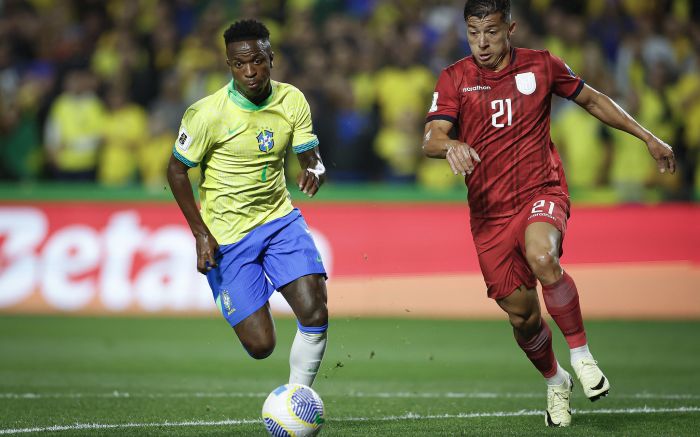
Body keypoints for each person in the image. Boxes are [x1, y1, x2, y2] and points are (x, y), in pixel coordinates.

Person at [423, 0, 675, 428]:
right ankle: (556, 379)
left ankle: (582, 356)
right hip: (489, 215)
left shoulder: (542, 66)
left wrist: (647, 137)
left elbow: (593, 100)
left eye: (491, 32)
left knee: (543, 256)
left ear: (511, 29)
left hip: (542, 191)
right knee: (522, 316)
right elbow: (431, 137)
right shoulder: (455, 78)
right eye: (473, 33)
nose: (482, 43)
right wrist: (451, 145)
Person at [167, 19, 329, 388]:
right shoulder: (207, 113)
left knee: (315, 312)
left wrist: (315, 171)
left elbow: (312, 157)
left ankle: (297, 397)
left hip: (279, 220)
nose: (249, 71)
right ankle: (251, 292)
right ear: (229, 65)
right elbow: (176, 171)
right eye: (239, 64)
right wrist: (200, 233)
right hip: (227, 236)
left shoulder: (292, 100)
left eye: (257, 60)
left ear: (272, 57)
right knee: (261, 345)